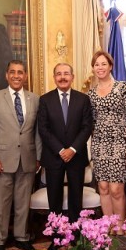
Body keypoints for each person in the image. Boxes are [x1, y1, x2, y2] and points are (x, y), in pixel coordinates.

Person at [0, 60, 41, 250]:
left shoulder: (34, 99)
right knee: (2, 204)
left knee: (23, 203)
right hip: (1, 160)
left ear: (25, 76)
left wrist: (38, 157)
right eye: (12, 72)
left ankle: (21, 238)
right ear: (6, 75)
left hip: (27, 159)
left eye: (20, 72)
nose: (16, 76)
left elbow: (37, 132)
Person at [87, 51, 126, 232]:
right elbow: (90, 123)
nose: (100, 67)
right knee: (103, 187)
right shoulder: (91, 94)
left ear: (110, 66)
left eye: (103, 64)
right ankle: (107, 227)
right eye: (96, 64)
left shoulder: (123, 88)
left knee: (116, 189)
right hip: (99, 144)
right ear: (93, 68)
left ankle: (119, 227)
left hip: (120, 144)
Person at [37, 63, 93, 223]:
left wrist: (73, 149)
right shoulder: (45, 100)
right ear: (54, 77)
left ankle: (76, 234)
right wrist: (61, 150)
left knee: (76, 197)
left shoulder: (83, 99)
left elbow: (87, 127)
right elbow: (43, 129)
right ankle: (56, 235)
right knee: (54, 199)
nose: (63, 77)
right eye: (59, 74)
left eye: (66, 73)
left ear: (72, 77)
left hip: (77, 156)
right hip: (54, 157)